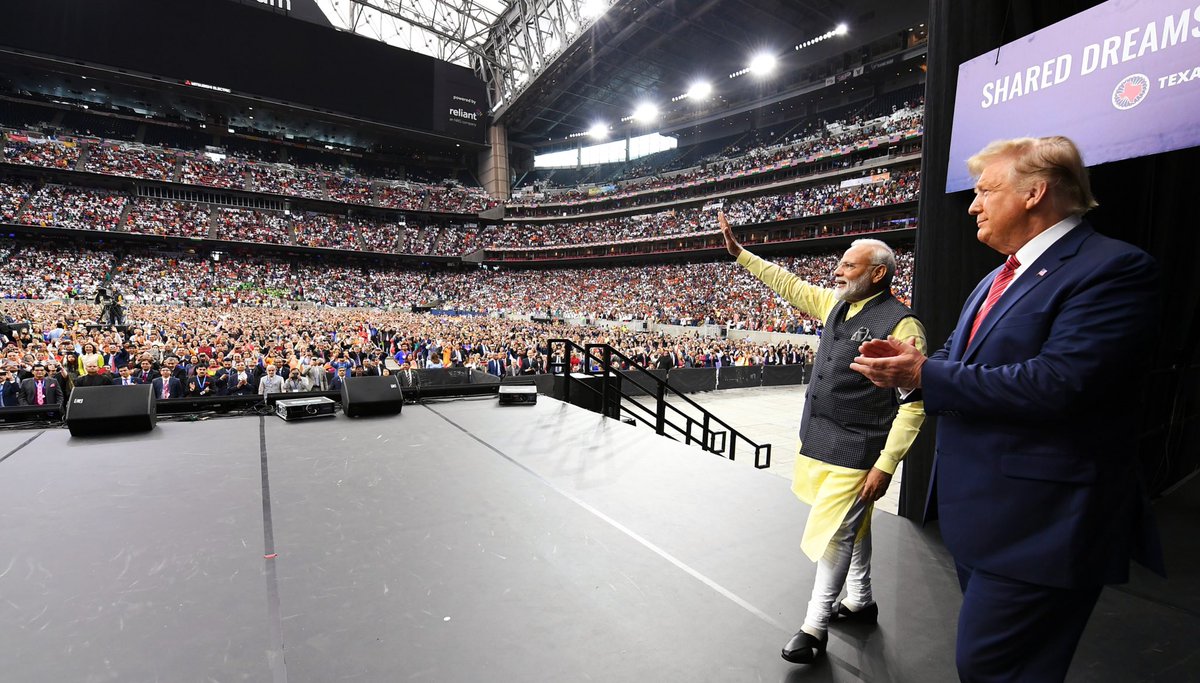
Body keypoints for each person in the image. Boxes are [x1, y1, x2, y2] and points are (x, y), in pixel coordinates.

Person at [849, 136, 1163, 682]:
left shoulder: (1113, 269)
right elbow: (953, 357)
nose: (973, 205)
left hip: (1044, 525)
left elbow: (1059, 383)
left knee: (994, 668)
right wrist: (911, 364)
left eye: (986, 191)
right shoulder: (997, 276)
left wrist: (924, 373)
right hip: (987, 522)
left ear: (1035, 192)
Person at [717, 210, 926, 664]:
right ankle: (861, 601)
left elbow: (915, 403)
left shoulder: (903, 326)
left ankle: (814, 628)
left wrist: (886, 464)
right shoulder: (835, 304)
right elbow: (789, 284)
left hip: (861, 447)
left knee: (835, 531)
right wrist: (741, 256)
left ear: (878, 273)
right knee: (855, 524)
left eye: (848, 265)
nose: (837, 271)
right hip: (822, 439)